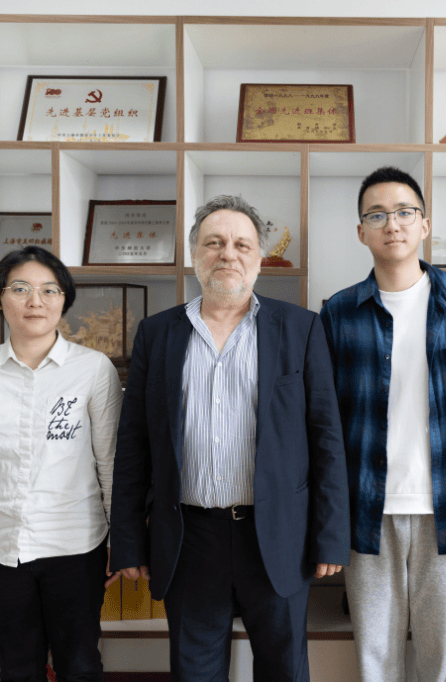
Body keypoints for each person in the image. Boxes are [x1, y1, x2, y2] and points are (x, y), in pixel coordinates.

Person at [109, 194, 350, 682]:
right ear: (194, 254)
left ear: (260, 258)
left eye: (242, 244)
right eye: (214, 242)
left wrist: (331, 537)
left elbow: (326, 438)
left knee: (284, 670)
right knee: (194, 671)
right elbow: (134, 445)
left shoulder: (301, 328)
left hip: (278, 533)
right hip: (189, 537)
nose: (228, 254)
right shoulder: (157, 334)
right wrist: (129, 541)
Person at [319, 166, 446, 682]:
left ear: (425, 224)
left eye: (405, 212)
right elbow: (325, 426)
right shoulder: (340, 313)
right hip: (367, 511)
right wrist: (328, 515)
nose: (392, 224)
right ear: (361, 231)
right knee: (375, 658)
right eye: (377, 215)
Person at [0, 245, 123, 682]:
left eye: (49, 290)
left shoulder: (94, 369)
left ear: (64, 300)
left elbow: (111, 462)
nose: (35, 301)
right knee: (18, 668)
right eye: (20, 289)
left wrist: (121, 539)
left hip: (77, 546)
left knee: (80, 665)